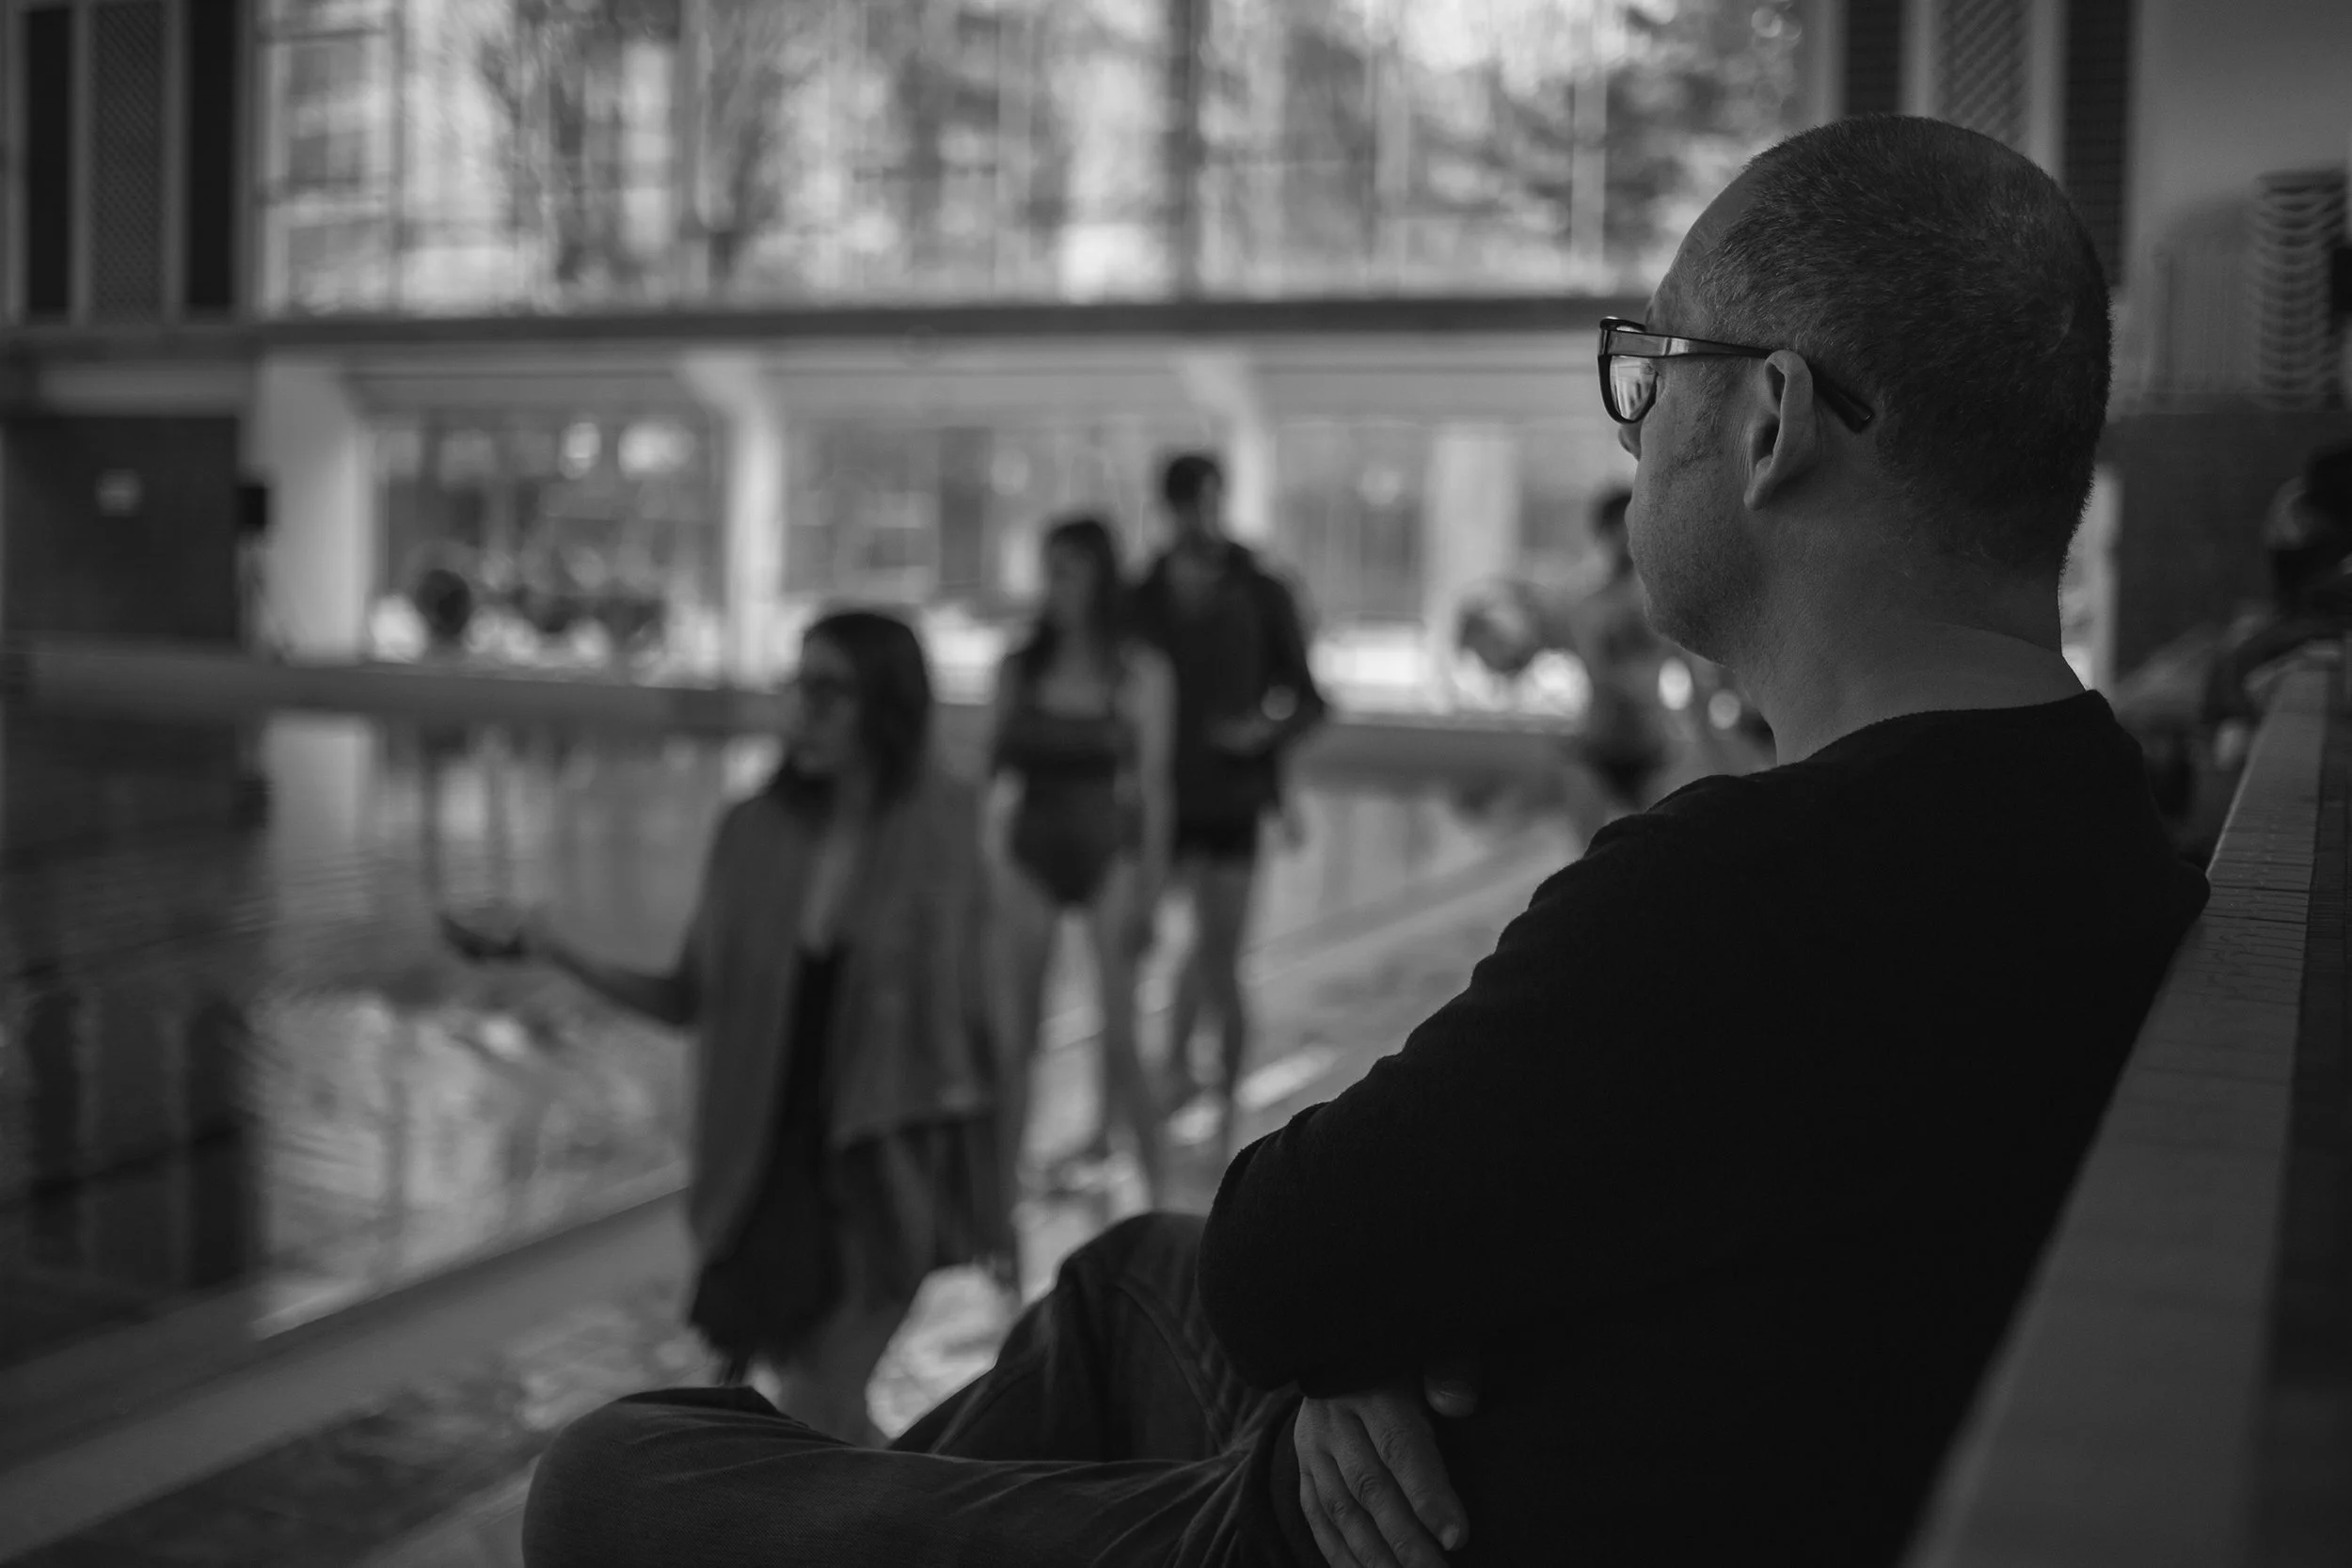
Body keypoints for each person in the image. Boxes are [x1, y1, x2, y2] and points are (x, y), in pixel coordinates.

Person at [521, 117, 2210, 1568]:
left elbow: (1283, 1264)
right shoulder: (2099, 816)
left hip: (1350, 1535)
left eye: (1654, 373)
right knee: (1124, 1276)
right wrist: (1383, 1315)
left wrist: (1368, 1312)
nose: (1636, 429)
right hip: (1608, 1441)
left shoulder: (1740, 889)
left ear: (1771, 423)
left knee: (613, 1466)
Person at [489, 610, 1009, 1445]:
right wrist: (551, 944)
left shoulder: (943, 832)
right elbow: (684, 997)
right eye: (796, 686)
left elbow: (982, 1033)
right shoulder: (753, 834)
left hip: (885, 1178)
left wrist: (995, 1196)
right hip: (771, 1186)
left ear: (886, 705)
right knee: (823, 1420)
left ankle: (932, 1511)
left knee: (815, 1409)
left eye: (828, 690)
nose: (801, 710)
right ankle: (933, 1511)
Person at [1128, 452, 1328, 1157]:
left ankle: (1224, 1109)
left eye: (1209, 502)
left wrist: (1259, 735)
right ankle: (1170, 1078)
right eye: (1189, 503)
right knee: (1151, 953)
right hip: (1156, 803)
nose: (1200, 517)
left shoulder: (1259, 590)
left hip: (1230, 799)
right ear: (1169, 507)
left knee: (1220, 957)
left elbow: (1308, 699)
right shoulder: (1142, 596)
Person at [986, 515, 1177, 1202]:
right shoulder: (1020, 667)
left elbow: (1154, 790)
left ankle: (1166, 1198)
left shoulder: (1139, 672)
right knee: (1016, 1041)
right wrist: (983, 871)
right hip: (1030, 855)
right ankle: (999, 1206)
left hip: (1107, 855)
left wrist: (1152, 891)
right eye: (1050, 570)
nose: (1055, 585)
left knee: (1123, 1039)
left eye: (1068, 571)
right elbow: (991, 779)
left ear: (1100, 579)